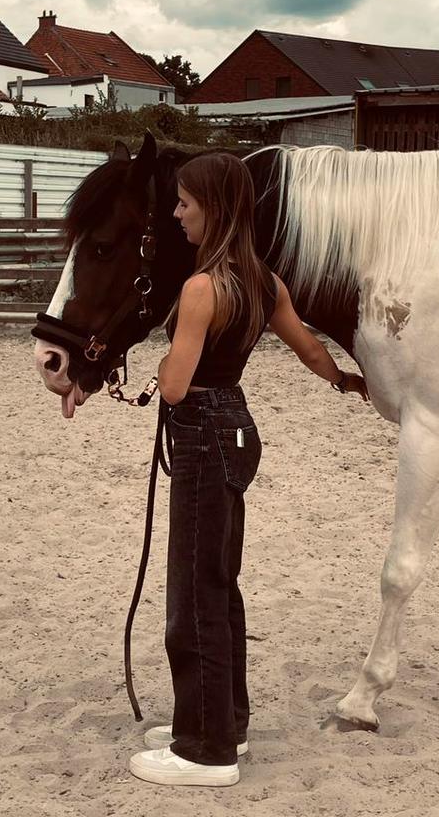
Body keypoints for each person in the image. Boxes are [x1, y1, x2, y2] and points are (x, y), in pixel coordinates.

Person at [128, 153, 368, 788]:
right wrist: (344, 380)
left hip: (202, 432)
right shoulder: (264, 282)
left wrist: (157, 371)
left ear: (213, 208)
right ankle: (223, 719)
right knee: (219, 583)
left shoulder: (201, 288)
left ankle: (206, 751)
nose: (176, 214)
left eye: (185, 203)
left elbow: (174, 385)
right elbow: (309, 347)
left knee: (193, 593)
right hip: (237, 429)